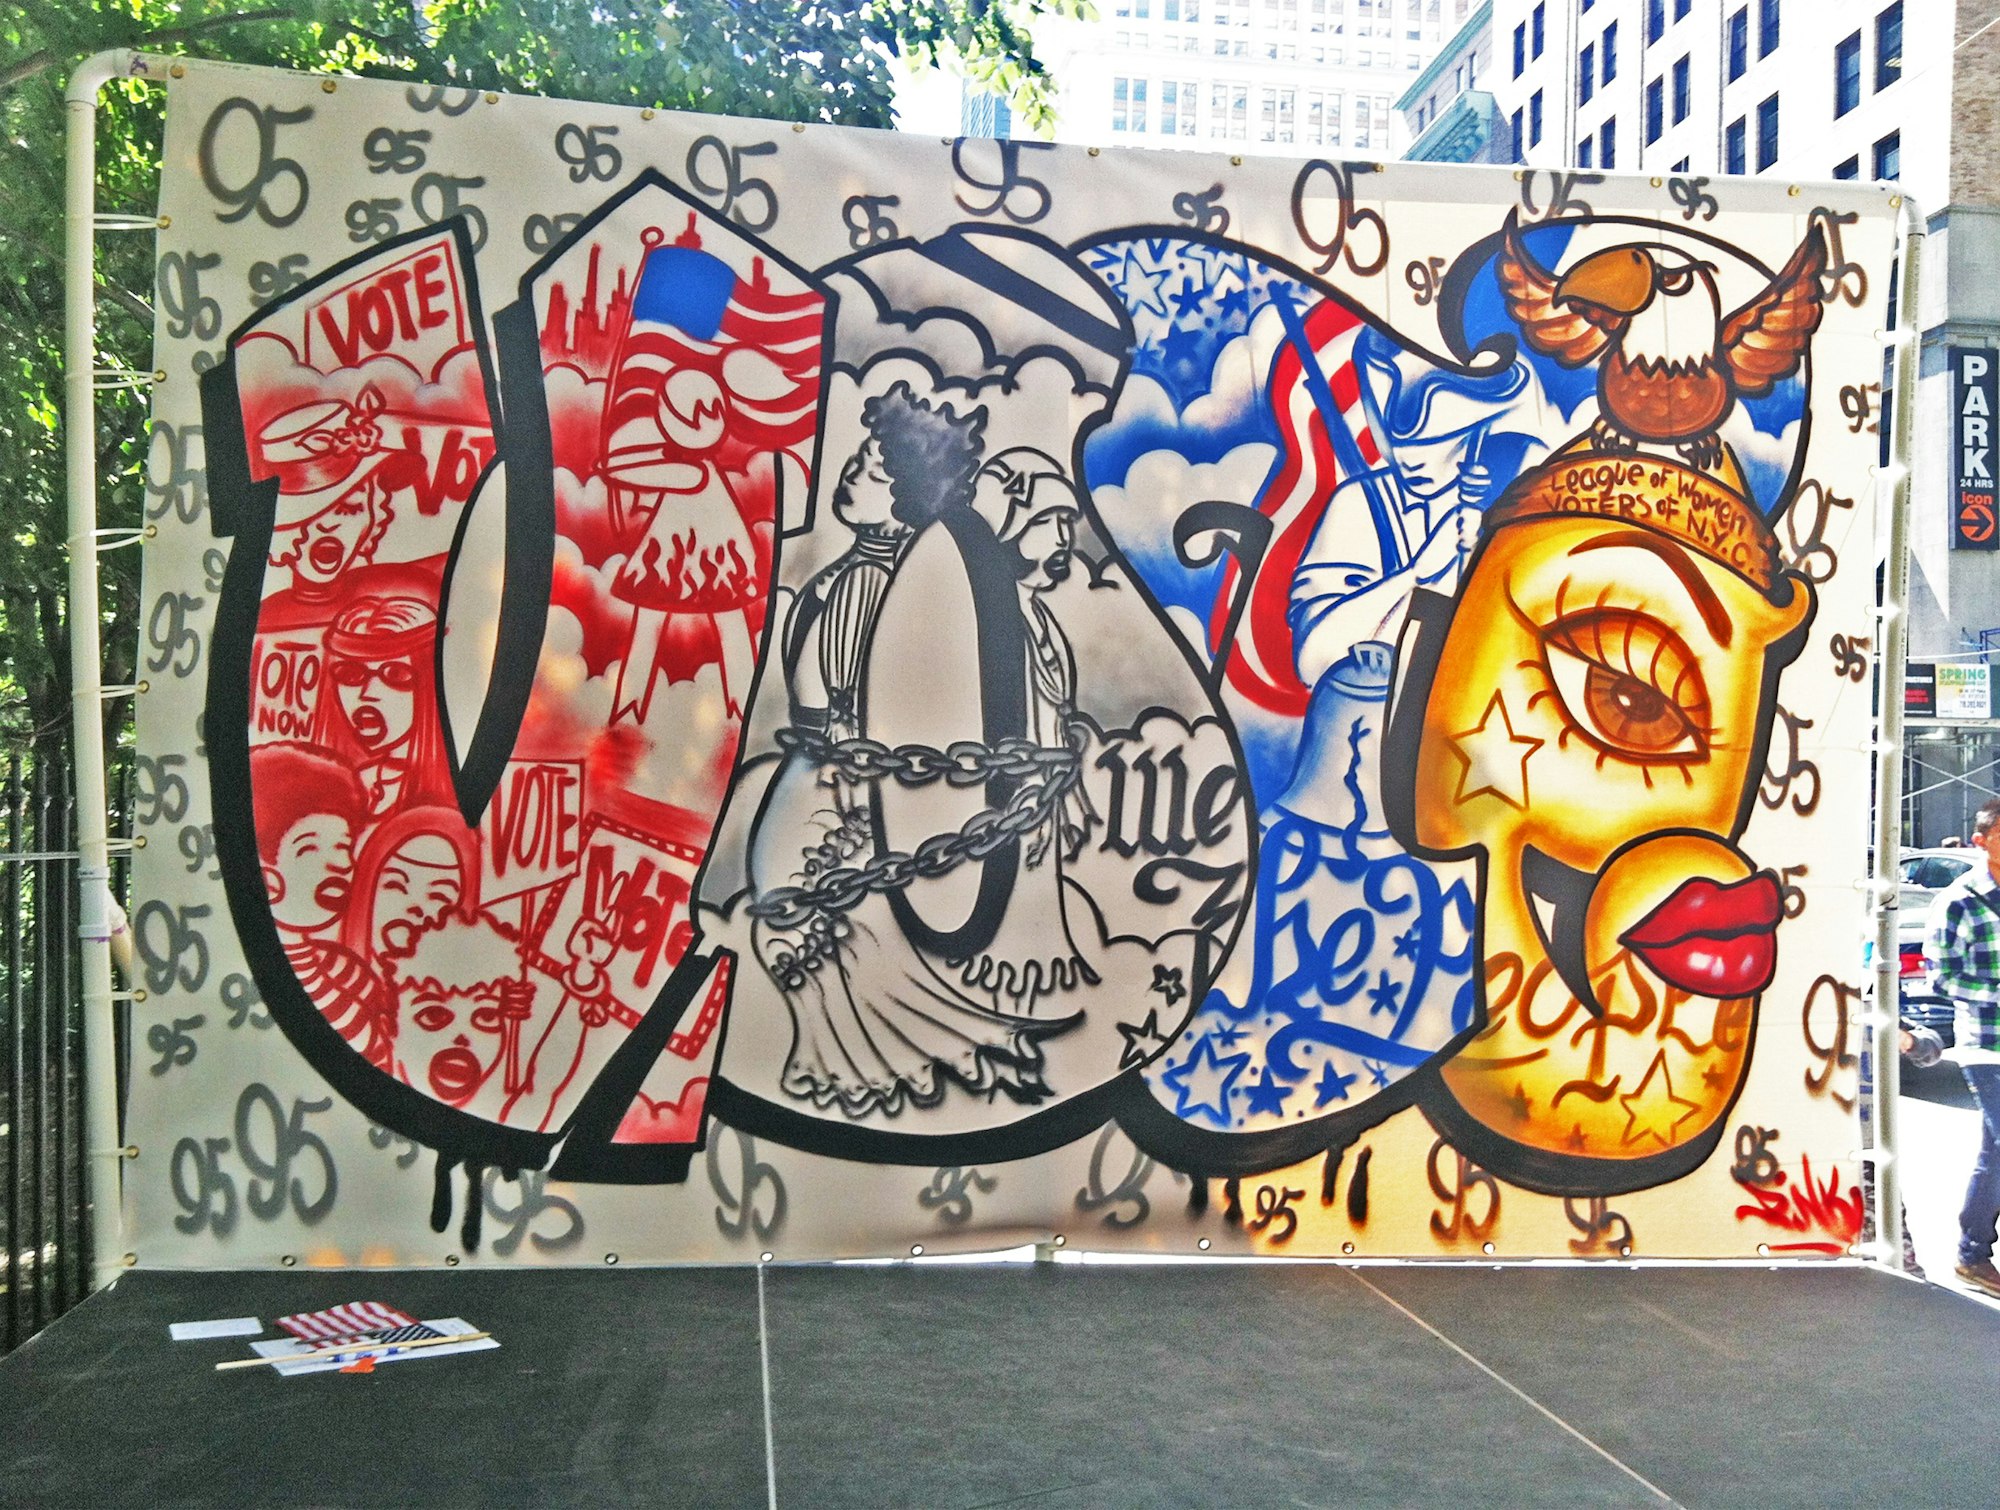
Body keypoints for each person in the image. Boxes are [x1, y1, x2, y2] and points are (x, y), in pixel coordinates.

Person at [250, 743, 397, 1071]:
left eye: (343, 846)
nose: (341, 863)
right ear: (265, 869)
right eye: (311, 848)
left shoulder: (352, 973)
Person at [1925, 795, 2000, 1299]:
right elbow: (1941, 977)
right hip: (1986, 1046)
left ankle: (1972, 1255)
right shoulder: (1959, 899)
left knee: (1994, 1153)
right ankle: (1972, 1253)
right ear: (1981, 841)